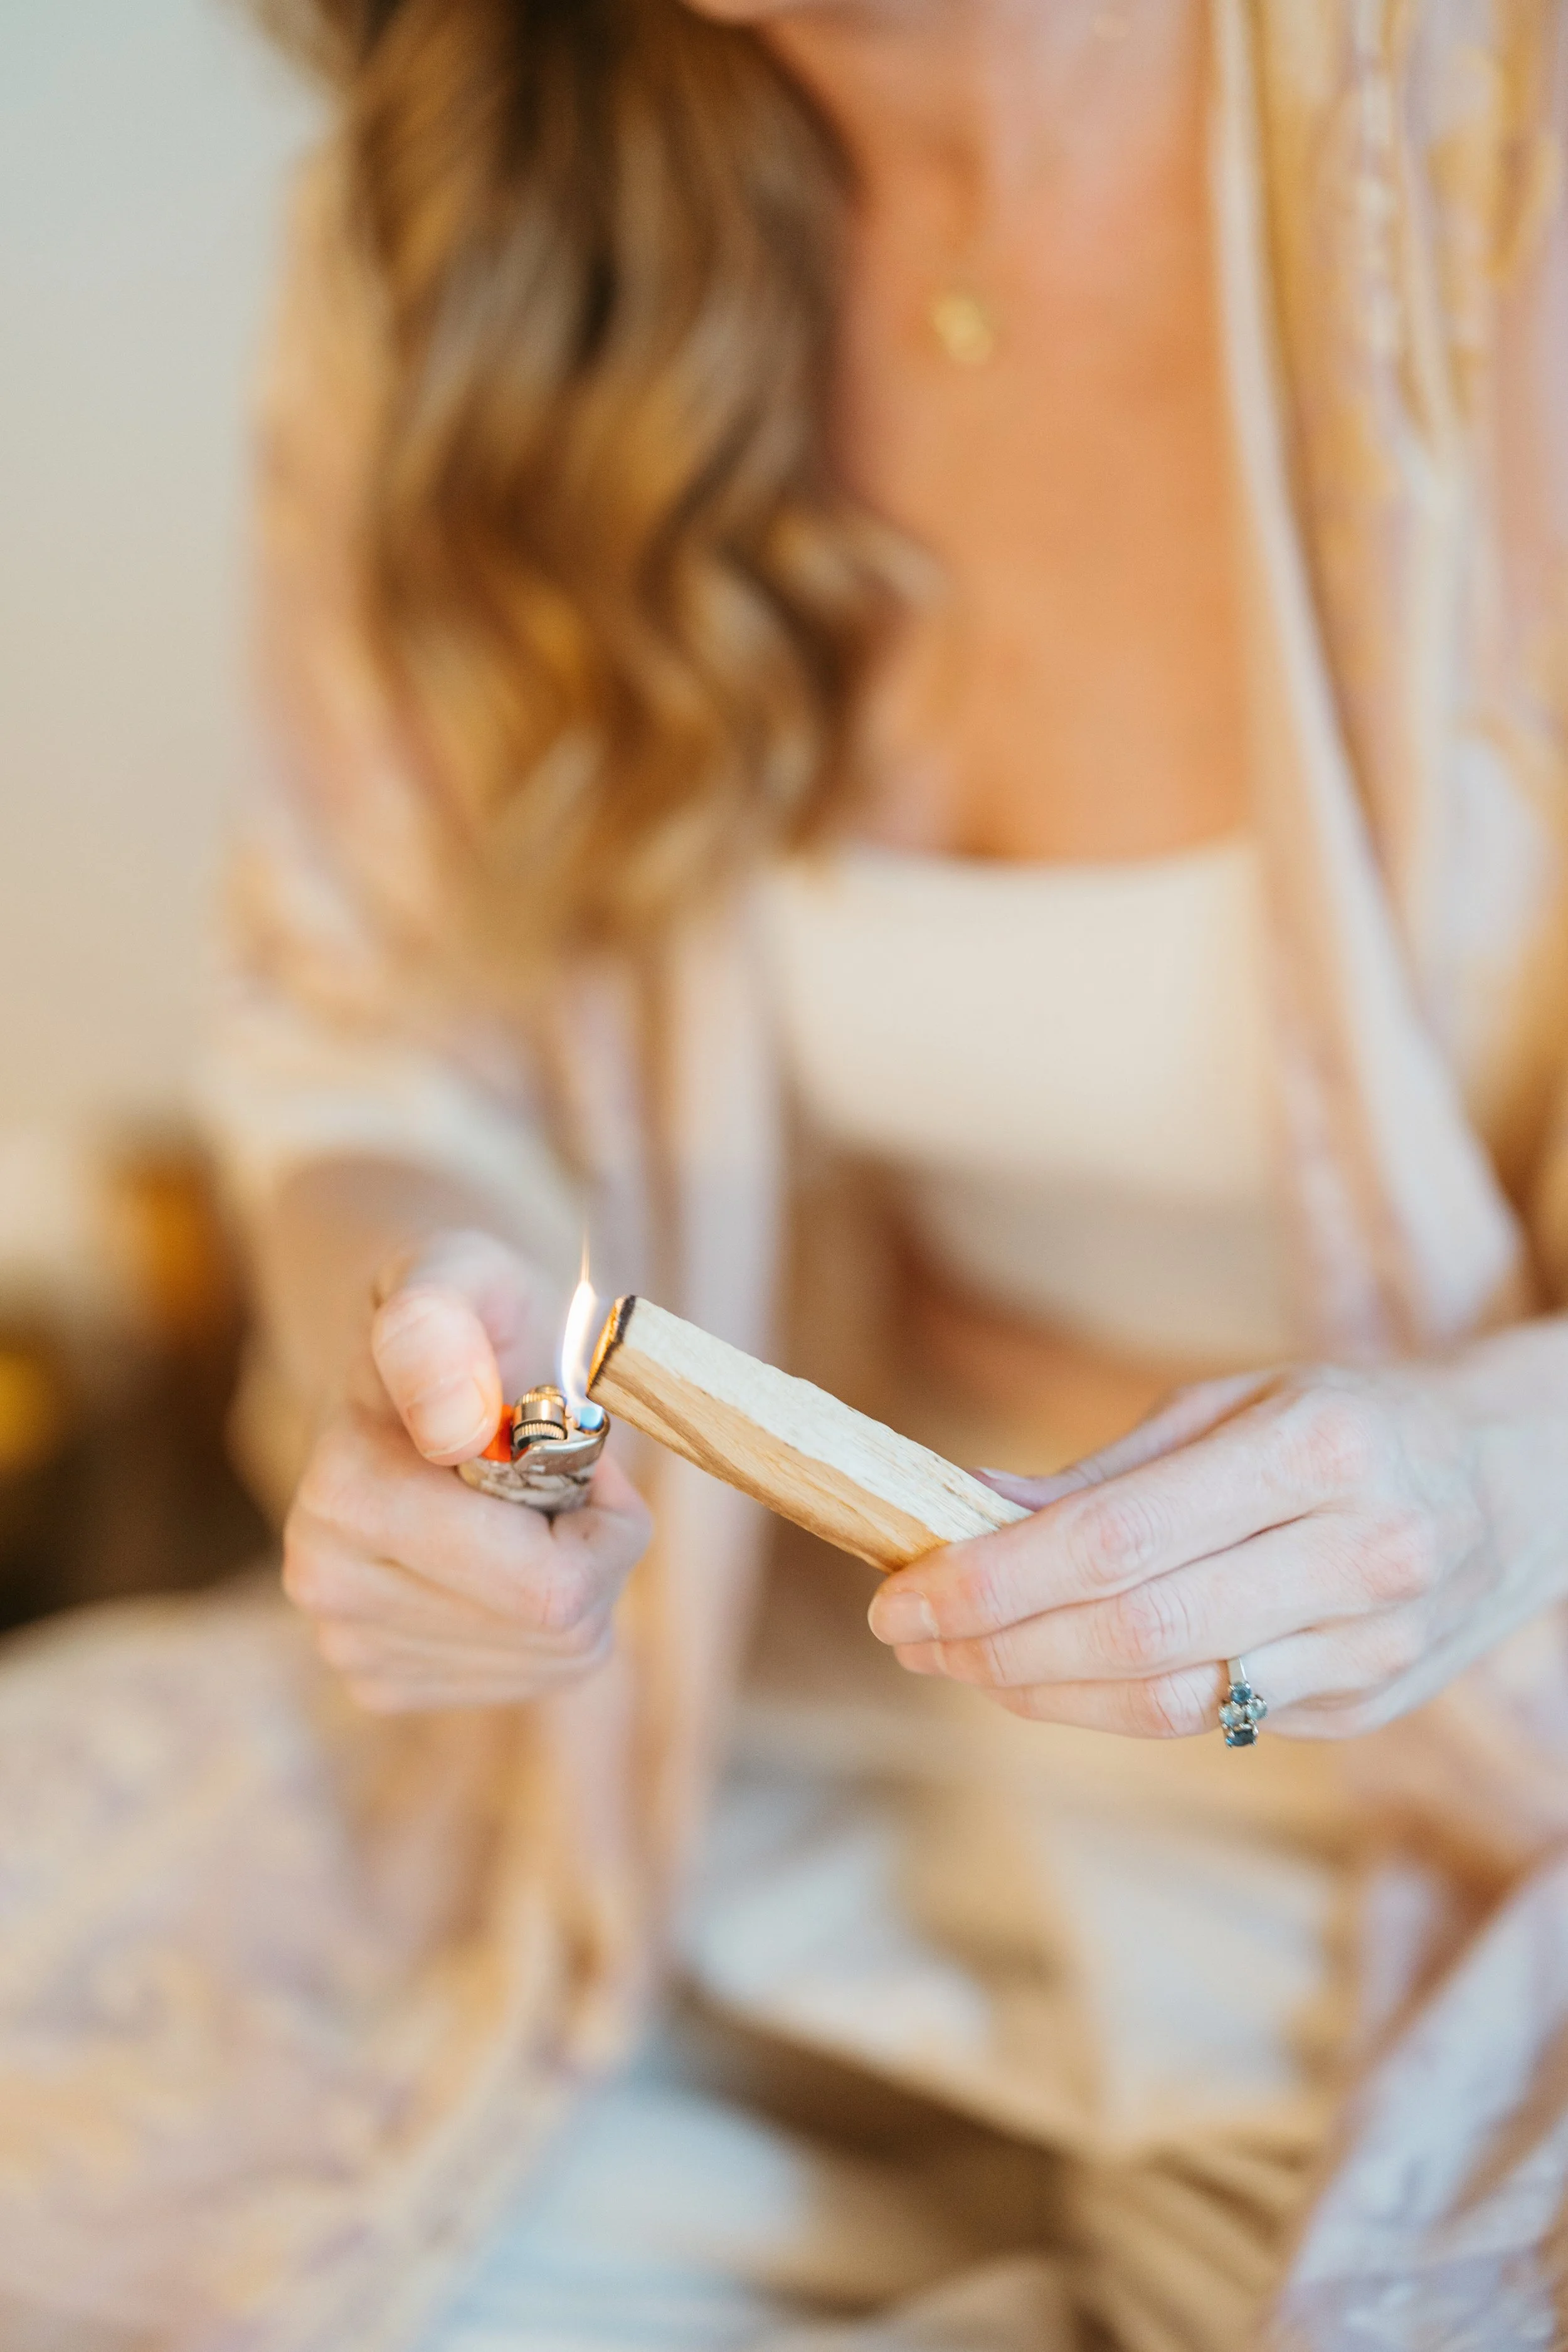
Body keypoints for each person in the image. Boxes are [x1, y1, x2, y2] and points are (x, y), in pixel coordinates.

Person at [5, 2, 1568, 2346]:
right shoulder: (477, 206)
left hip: (1486, 1758)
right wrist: (427, 1341)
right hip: (755, 1741)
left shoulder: (1492, 158)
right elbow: (371, 1050)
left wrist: (1497, 1483)